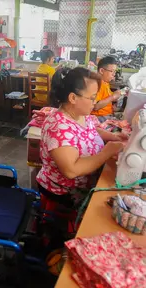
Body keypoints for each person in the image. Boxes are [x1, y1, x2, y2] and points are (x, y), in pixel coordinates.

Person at [37, 67, 126, 208]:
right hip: (63, 191)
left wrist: (113, 136)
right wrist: (106, 152)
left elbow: (89, 130)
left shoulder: (79, 114)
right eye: (91, 98)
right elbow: (71, 170)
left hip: (86, 181)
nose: (95, 101)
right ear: (73, 98)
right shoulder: (59, 127)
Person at [91, 56, 122, 122]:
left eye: (115, 71)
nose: (114, 74)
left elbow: (106, 99)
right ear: (102, 71)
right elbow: (96, 106)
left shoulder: (105, 82)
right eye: (111, 71)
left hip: (107, 114)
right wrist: (113, 97)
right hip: (99, 117)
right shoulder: (97, 84)